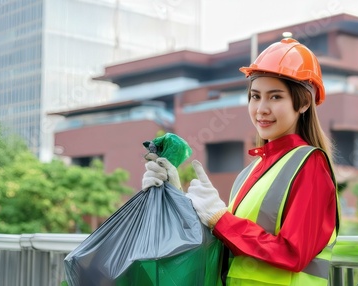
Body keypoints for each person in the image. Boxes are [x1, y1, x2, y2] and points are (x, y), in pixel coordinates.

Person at [142, 34, 340, 286]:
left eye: (275, 96)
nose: (261, 109)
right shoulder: (251, 172)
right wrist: (175, 197)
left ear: (303, 103)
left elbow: (293, 253)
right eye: (255, 96)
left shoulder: (310, 164)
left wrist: (220, 219)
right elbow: (228, 248)